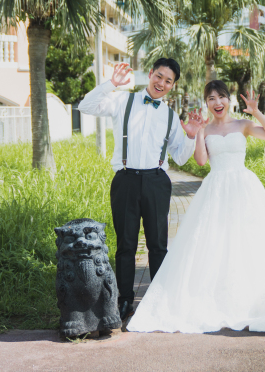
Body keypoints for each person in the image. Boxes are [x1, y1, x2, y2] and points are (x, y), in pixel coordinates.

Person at [127, 80, 265, 333]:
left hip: (243, 187)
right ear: (206, 103)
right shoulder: (206, 130)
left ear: (229, 100)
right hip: (216, 188)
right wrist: (198, 133)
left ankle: (248, 297)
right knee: (215, 242)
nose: (217, 102)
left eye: (221, 97)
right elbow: (200, 161)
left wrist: (256, 111)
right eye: (211, 98)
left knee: (247, 241)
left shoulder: (243, 125)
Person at [78, 59, 206, 320]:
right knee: (126, 245)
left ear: (173, 85)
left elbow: (180, 158)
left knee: (158, 245)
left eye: (168, 80)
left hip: (157, 182)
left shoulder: (170, 115)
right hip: (125, 179)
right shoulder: (122, 100)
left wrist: (192, 135)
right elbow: (85, 106)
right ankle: (125, 301)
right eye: (158, 76)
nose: (161, 83)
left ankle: (158, 301)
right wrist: (111, 84)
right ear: (150, 74)